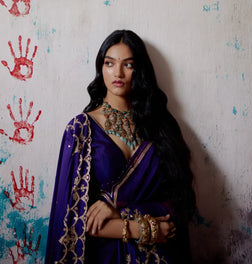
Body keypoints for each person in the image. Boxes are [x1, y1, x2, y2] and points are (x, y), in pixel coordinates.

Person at [45, 29, 196, 264]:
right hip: (104, 256)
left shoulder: (161, 126)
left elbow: (178, 202)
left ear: (140, 70)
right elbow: (73, 220)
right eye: (109, 63)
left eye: (128, 65)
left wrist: (116, 209)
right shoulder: (81, 129)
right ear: (101, 68)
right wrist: (139, 228)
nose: (117, 73)